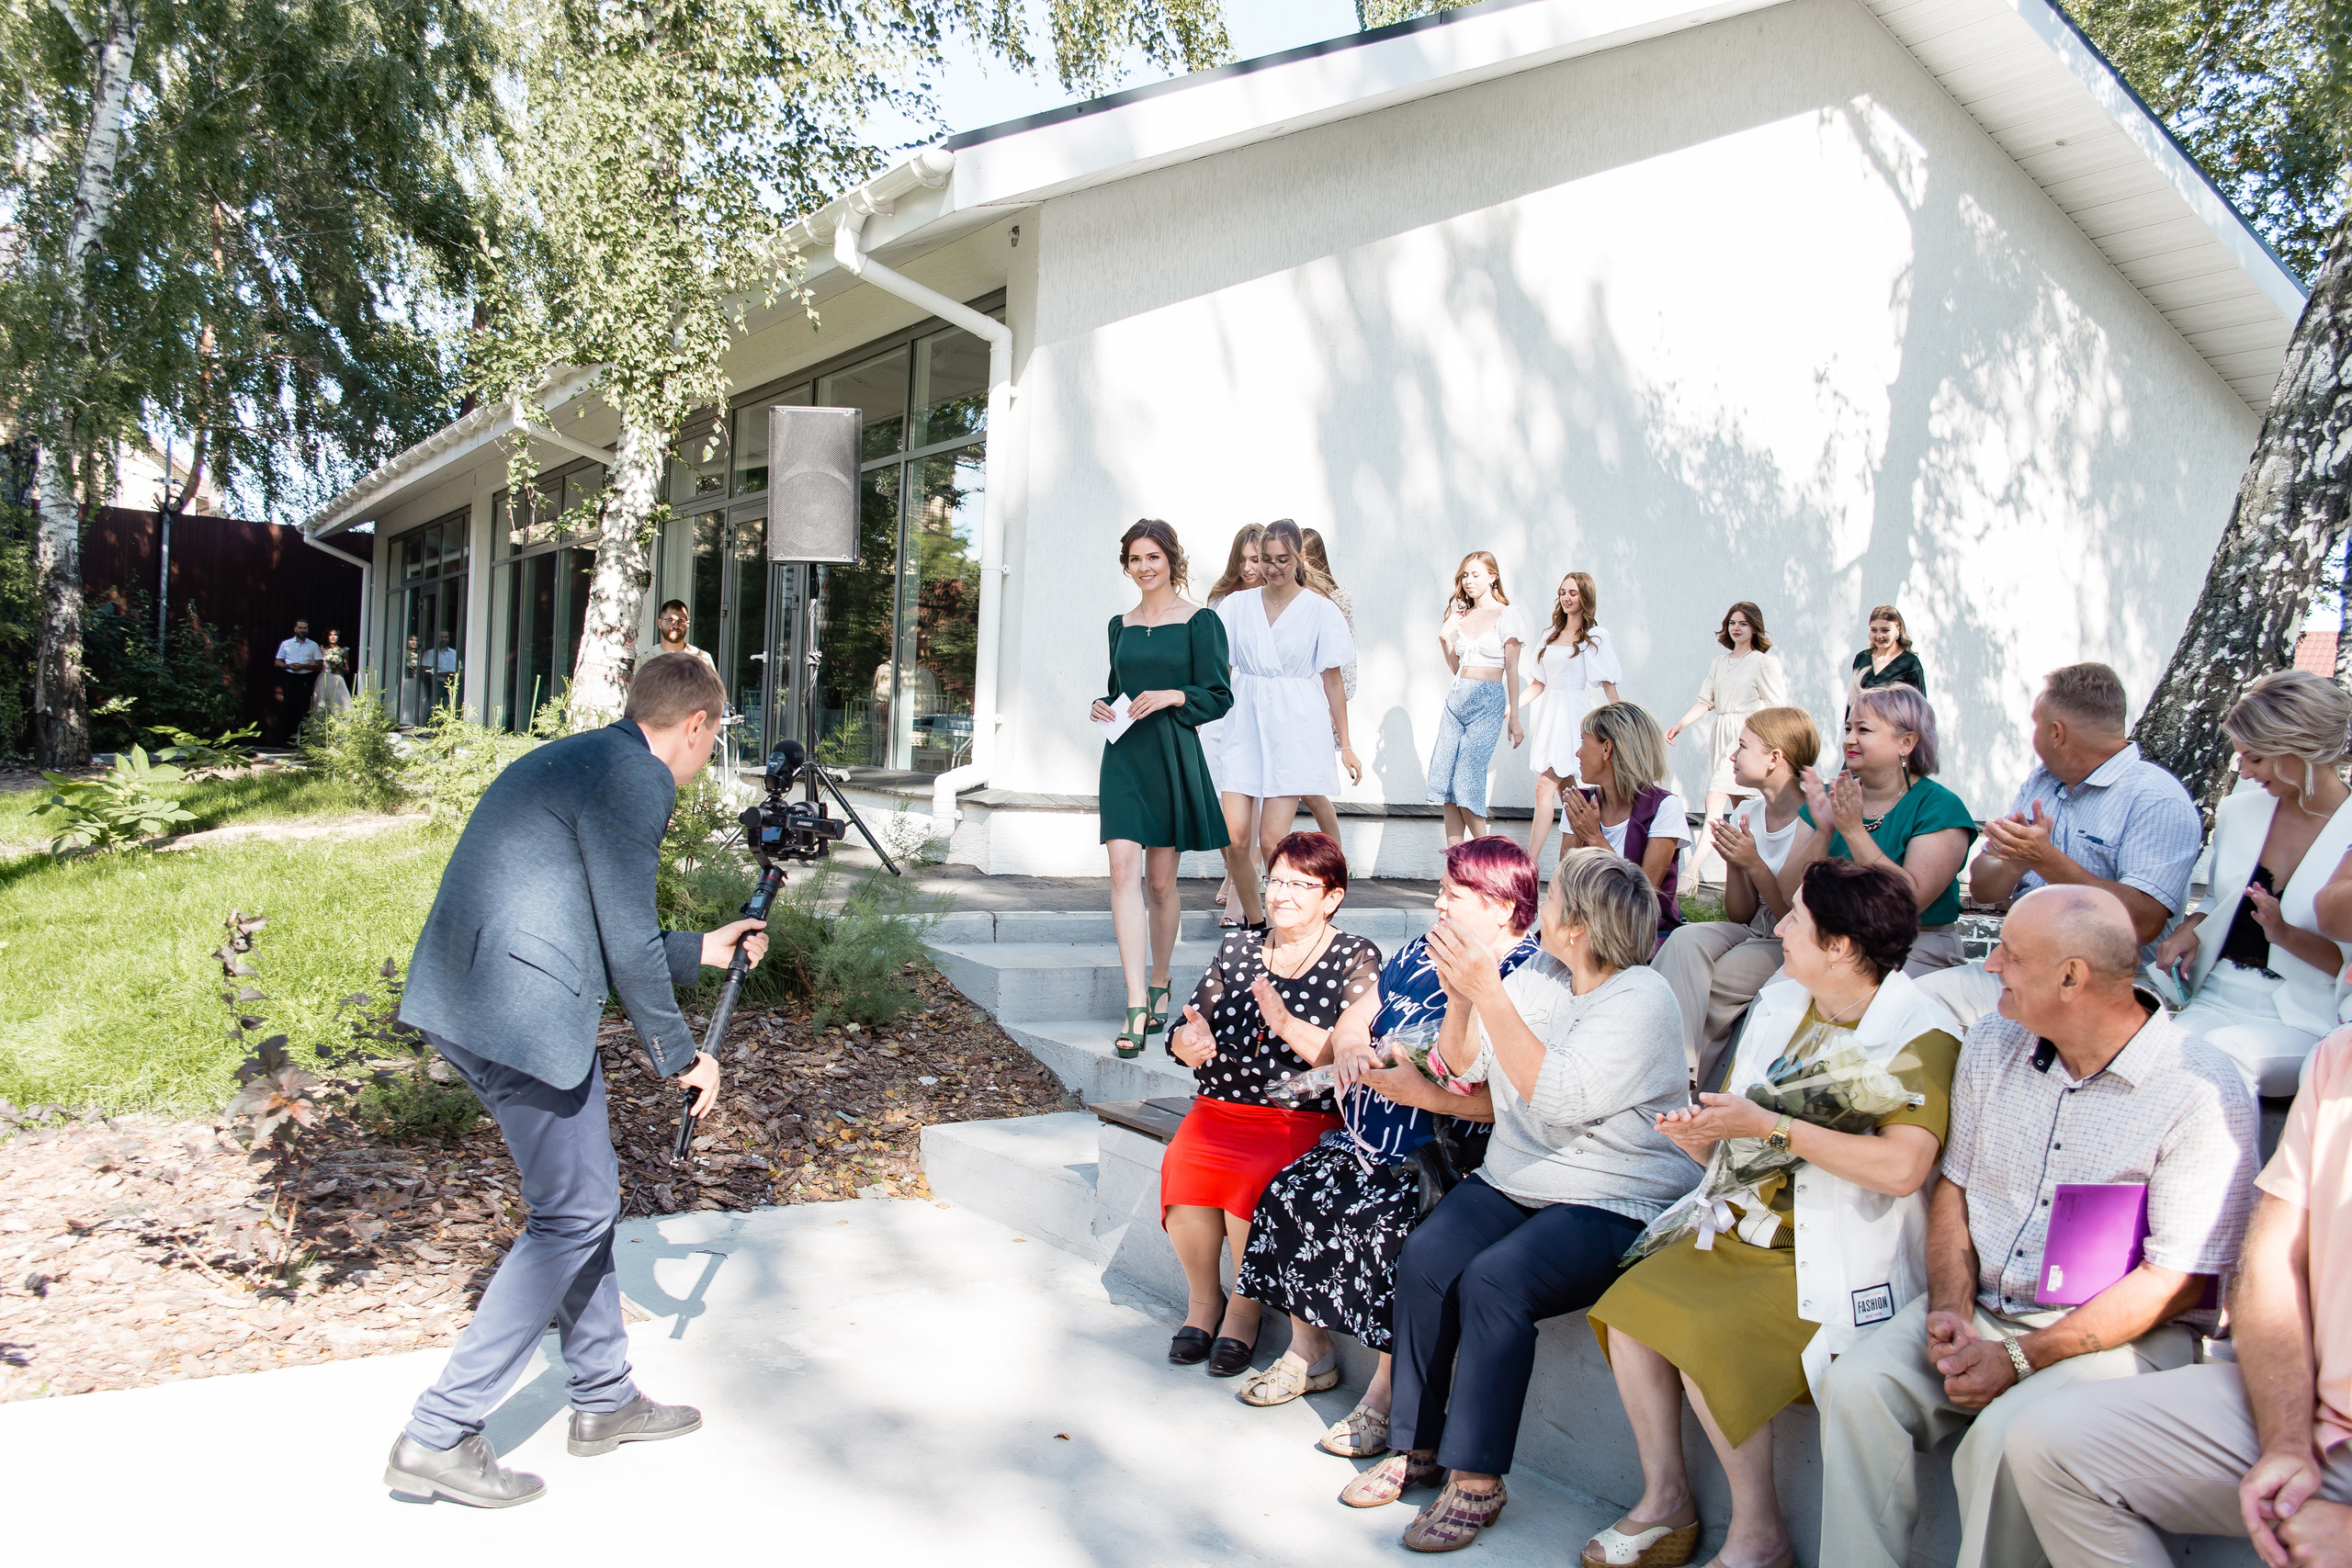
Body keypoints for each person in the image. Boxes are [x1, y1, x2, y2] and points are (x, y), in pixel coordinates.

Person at [383, 653, 772, 1508]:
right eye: (712, 739)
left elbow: (601, 918)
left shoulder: (588, 759)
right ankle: (439, 1433)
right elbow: (624, 943)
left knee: (582, 1198)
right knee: (571, 1212)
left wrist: (698, 947)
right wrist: (682, 1056)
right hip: (520, 1014)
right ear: (696, 726)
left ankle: (601, 1396)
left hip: (477, 995)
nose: (706, 757)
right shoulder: (639, 779)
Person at [1815, 886, 2260, 1568]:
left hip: (2123, 1337)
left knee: (2004, 1437)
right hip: (1987, 1305)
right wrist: (1949, 1311)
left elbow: (2174, 1283)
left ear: (2072, 977)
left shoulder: (2200, 1090)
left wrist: (2021, 1358)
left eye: (2010, 954)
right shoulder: (1994, 1041)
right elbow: (1954, 1192)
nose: (1990, 965)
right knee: (1858, 1387)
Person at [1586, 860, 1960, 1568]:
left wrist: (1772, 1129)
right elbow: (1743, 1124)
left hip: (1829, 1257)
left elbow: (1903, 1167)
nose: (1778, 927)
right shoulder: (1785, 997)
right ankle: (1667, 1497)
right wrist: (1705, 1137)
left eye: (1796, 920)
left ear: (1842, 946)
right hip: (1740, 1226)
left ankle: (1759, 1536)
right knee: (1627, 1308)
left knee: (1701, 1333)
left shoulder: (1921, 1033)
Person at [1342, 849, 1690, 1552]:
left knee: (1497, 1280)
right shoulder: (1539, 972)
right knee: (1430, 1254)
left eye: (1557, 895)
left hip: (1612, 1195)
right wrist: (1464, 997)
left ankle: (1476, 1478)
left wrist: (1489, 994)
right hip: (1519, 1176)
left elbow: (1556, 1095)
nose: (1545, 901)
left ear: (1582, 926)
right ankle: (1418, 1446)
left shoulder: (1643, 1000)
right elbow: (1465, 1064)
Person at [1231, 837, 1543, 1441]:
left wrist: (1421, 1092)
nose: (1440, 902)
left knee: (1392, 1230)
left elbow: (1510, 1095)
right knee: (1290, 1191)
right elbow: (1359, 1014)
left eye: (1454, 893)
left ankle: (1386, 1389)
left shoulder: (1523, 973)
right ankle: (1310, 1350)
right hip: (1373, 1132)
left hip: (1443, 1151)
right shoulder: (1421, 952)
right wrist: (1349, 1047)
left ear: (1502, 906)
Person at [2006, 1025, 2352, 1567]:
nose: (2348, 976)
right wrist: (2286, 1439)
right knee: (2049, 1441)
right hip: (2319, 1416)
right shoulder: (2340, 1056)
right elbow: (2271, 1262)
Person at [1164, 832, 1381, 1377]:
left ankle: (1243, 1312)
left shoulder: (1354, 956)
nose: (1282, 894)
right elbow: (1185, 1025)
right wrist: (1186, 1046)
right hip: (1219, 1106)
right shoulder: (1238, 949)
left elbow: (1349, 1057)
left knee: (1250, 1186)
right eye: (1276, 880)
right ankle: (1203, 1302)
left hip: (1299, 1113)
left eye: (1299, 884)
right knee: (1184, 1172)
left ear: (1331, 896)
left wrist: (1285, 1023)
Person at [1917, 663, 2202, 1031]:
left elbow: (2144, 923)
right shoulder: (2042, 782)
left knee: (2000, 1036)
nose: (2032, 735)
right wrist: (2013, 865)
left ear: (2056, 733)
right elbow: (1985, 888)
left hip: (2108, 988)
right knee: (1911, 1004)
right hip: (2021, 972)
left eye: (2036, 724)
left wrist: (2047, 860)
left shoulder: (2156, 799)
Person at [2154, 670, 2352, 1096]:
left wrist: (2282, 933)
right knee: (2155, 1055)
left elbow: (2345, 966)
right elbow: (2218, 902)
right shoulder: (2239, 811)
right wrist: (2190, 931)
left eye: (2256, 758)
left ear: (2301, 750)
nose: (2243, 772)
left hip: (2303, 1017)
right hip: (2215, 996)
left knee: (2223, 1058)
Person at [1092, 520, 1233, 1059]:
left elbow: (1218, 696)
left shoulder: (1201, 621)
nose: (1144, 567)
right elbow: (1117, 689)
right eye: (1135, 559)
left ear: (1172, 560)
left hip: (1172, 755)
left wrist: (1175, 694)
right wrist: (1102, 705)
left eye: (1153, 557)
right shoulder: (1118, 624)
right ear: (1126, 565)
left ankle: (1160, 978)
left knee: (1158, 884)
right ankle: (1134, 1003)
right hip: (1124, 755)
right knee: (1122, 870)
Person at [1650, 706, 1821, 1089]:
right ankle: (1660, 1059)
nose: (1732, 755)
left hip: (1792, 933)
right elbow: (1740, 913)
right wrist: (1735, 863)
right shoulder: (1750, 811)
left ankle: (1680, 1081)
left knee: (1717, 978)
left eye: (1742, 746)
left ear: (1775, 758)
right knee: (1682, 939)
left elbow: (1785, 915)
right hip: (1756, 926)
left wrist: (1754, 863)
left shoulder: (1814, 818)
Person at [1214, 521, 1360, 925]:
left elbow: (1332, 679)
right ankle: (1255, 922)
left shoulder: (1320, 610)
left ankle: (1277, 924)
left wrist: (1345, 744)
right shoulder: (1236, 606)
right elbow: (1217, 669)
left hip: (1294, 725)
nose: (1273, 568)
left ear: (1298, 558)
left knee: (1270, 839)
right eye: (1266, 559)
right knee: (1235, 838)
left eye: (1283, 560)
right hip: (1244, 721)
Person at [1780, 683, 1976, 975]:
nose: (1849, 740)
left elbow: (1909, 902)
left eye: (1863, 730)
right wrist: (1824, 832)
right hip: (1826, 942)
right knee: (1777, 1002)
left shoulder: (1939, 807)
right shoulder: (1828, 797)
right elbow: (1787, 892)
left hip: (1913, 948)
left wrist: (1854, 832)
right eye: (1848, 729)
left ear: (1906, 742)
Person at [1665, 602, 1788, 879]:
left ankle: (1691, 873)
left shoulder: (1762, 662)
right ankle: (1758, 871)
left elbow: (1777, 704)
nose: (1737, 628)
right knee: (1746, 807)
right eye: (1733, 623)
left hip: (1744, 736)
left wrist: (1758, 737)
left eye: (1743, 623)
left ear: (1755, 627)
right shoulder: (1719, 663)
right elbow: (1704, 701)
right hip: (1721, 734)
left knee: (1714, 799)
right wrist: (1680, 724)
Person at [1560, 701, 1690, 951]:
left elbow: (1643, 899)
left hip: (1640, 936)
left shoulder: (1664, 807)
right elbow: (1564, 884)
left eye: (1583, 742)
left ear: (1607, 748)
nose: (1578, 753)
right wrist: (1579, 836)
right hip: (1584, 930)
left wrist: (1595, 838)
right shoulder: (1580, 803)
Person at [1427, 552, 1528, 847]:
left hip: (1488, 699)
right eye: (1465, 576)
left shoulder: (1507, 615)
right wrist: (1445, 640)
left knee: (1467, 779)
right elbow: (1458, 669)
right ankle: (1455, 861)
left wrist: (1516, 717)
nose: (1468, 581)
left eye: (1476, 575)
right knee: (1447, 781)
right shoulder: (1461, 615)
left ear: (1493, 576)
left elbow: (1511, 669)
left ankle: (1488, 855)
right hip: (1457, 698)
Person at [1521, 571, 1621, 866]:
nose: (1566, 597)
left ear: (1585, 597)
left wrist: (1624, 723)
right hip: (1550, 717)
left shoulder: (1595, 637)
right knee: (1573, 800)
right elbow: (1538, 684)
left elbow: (1608, 685)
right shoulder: (1549, 635)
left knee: (1544, 787)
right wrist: (1511, 709)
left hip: (1575, 718)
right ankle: (1575, 865)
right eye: (1563, 592)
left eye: (1573, 593)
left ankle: (1529, 863)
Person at [1202, 525, 1265, 924]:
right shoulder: (1221, 599)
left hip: (1256, 707)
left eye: (1255, 559)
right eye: (1242, 559)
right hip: (1221, 704)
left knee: (1252, 803)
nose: (1248, 567)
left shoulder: (1277, 601)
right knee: (1219, 803)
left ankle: (1245, 897)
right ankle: (1232, 869)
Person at [1297, 525, 1351, 846]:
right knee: (1298, 786)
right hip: (1295, 700)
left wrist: (1334, 711)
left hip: (1320, 702)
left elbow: (1343, 664)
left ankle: (1337, 854)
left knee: (1311, 788)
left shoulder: (1333, 600)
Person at [1849, 604, 1928, 700]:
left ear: (1898, 630)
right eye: (1874, 630)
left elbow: (1919, 706)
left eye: (1885, 630)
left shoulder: (1910, 663)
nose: (1879, 636)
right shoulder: (1861, 658)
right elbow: (1852, 702)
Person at [275, 618, 323, 741]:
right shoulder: (286, 644)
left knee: (305, 708)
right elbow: (277, 662)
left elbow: (318, 665)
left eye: (305, 628)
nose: (302, 630)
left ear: (307, 630)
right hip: (290, 677)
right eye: (300, 628)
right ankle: (288, 740)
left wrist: (304, 666)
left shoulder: (313, 645)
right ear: (295, 629)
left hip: (306, 678)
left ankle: (305, 741)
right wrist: (289, 666)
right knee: (289, 708)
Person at [651, 598, 718, 676]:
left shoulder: (702, 659)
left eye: (681, 621)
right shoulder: (643, 659)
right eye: (670, 620)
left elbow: (712, 688)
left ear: (687, 624)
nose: (676, 625)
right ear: (660, 623)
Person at [311, 629, 353, 717]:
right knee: (323, 701)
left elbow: (347, 670)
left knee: (339, 703)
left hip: (338, 678)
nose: (333, 637)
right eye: (331, 635)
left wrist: (337, 667)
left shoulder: (343, 650)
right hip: (324, 677)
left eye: (335, 635)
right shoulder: (322, 649)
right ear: (327, 637)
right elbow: (317, 665)